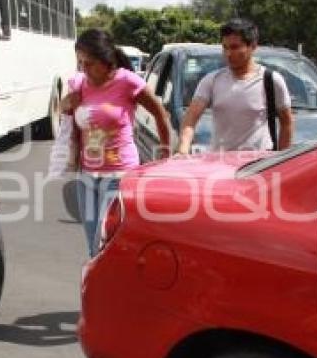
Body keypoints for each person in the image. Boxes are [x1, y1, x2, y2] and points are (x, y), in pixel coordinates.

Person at [61, 29, 171, 257]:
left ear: (106, 60)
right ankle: (103, 290)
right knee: (93, 246)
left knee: (102, 243)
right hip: (87, 176)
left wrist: (165, 154)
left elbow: (161, 114)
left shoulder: (127, 81)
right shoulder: (80, 84)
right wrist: (66, 103)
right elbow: (65, 114)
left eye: (89, 63)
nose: (84, 69)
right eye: (80, 63)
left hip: (118, 176)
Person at [176, 18, 294, 155]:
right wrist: (183, 149)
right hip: (220, 164)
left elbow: (287, 123)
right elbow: (190, 118)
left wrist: (281, 160)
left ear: (253, 46)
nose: (228, 54)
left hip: (257, 165)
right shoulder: (212, 81)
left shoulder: (272, 80)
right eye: (225, 47)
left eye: (235, 47)